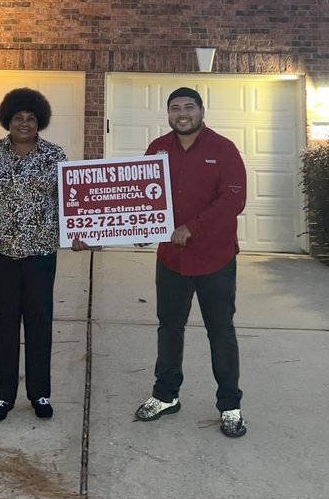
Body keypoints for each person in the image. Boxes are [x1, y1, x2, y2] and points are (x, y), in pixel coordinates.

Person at [74, 85, 248, 437]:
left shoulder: (223, 149)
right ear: (168, 114)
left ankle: (230, 405)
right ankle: (166, 395)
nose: (182, 114)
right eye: (175, 108)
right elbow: (138, 199)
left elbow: (233, 200)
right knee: (169, 328)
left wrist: (191, 227)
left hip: (215, 259)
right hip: (172, 260)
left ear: (201, 111)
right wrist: (106, 231)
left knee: (221, 332)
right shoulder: (157, 150)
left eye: (188, 107)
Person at [0, 88, 66, 422]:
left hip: (41, 251)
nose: (24, 123)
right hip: (0, 251)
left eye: (31, 118)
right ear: (8, 120)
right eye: (18, 118)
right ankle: (4, 396)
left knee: (39, 321)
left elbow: (70, 200)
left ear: (40, 121)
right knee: (5, 322)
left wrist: (81, 233)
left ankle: (39, 394)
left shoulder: (54, 155)